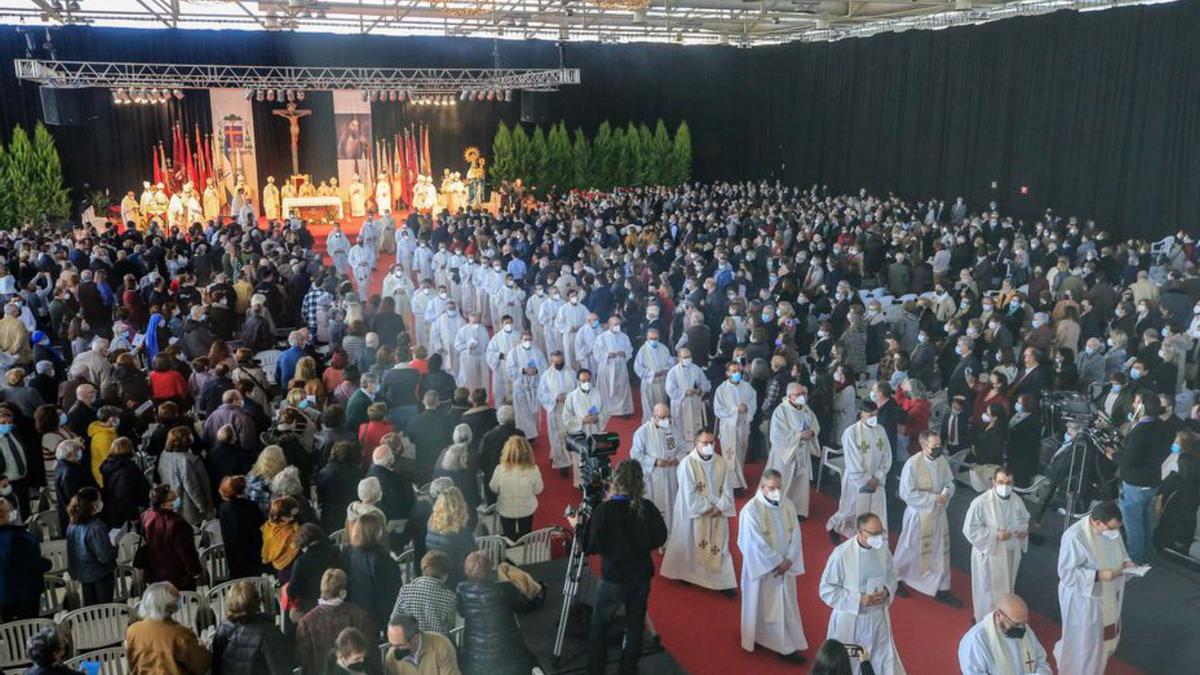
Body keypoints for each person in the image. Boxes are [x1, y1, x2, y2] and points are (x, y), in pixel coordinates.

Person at [580, 459, 668, 675]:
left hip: (614, 577)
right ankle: (628, 669)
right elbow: (660, 537)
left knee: (600, 625)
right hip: (641, 576)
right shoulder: (646, 507)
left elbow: (589, 545)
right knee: (635, 625)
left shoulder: (605, 511)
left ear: (615, 480)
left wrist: (578, 526)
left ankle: (596, 670)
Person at [1055, 501, 1136, 675]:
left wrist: (1126, 562)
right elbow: (1067, 573)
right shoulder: (1074, 536)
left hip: (1105, 597)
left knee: (1099, 641)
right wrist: (1099, 575)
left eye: (1118, 528)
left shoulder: (1111, 531)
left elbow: (1120, 550)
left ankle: (1094, 669)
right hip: (1082, 599)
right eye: (1112, 528)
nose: (1116, 533)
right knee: (1084, 640)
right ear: (1097, 522)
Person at [818, 512, 904, 675]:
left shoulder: (882, 549)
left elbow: (892, 574)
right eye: (874, 533)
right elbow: (826, 589)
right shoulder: (841, 554)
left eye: (881, 532)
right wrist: (858, 599)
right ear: (859, 532)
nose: (879, 537)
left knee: (879, 659)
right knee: (848, 664)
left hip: (876, 617)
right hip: (851, 619)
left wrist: (886, 591)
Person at [737, 469, 808, 663]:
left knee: (783, 605)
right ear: (762, 487)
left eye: (779, 487)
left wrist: (790, 560)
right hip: (763, 568)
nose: (776, 492)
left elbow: (796, 537)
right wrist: (777, 561)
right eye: (771, 488)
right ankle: (757, 636)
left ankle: (783, 645)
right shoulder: (751, 510)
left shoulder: (788, 506)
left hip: (784, 568)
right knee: (759, 604)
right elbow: (752, 542)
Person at [660, 431, 737, 595]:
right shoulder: (687, 464)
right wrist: (708, 508)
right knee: (690, 543)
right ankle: (687, 573)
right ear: (696, 443)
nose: (709, 446)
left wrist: (721, 506)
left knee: (720, 545)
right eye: (704, 443)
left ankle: (724, 581)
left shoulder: (721, 463)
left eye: (711, 443)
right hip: (694, 514)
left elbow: (728, 491)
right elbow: (689, 494)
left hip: (717, 514)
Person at [893, 430, 961, 607]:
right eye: (935, 446)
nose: (939, 449)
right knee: (909, 548)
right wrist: (933, 499)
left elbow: (949, 481)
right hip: (919, 515)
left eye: (940, 445)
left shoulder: (941, 461)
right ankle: (896, 578)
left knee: (941, 551)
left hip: (938, 514)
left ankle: (942, 588)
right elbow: (906, 493)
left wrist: (947, 492)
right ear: (924, 446)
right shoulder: (912, 464)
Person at [1108, 392, 1170, 563]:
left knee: (1133, 523)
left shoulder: (1141, 430)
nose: (1133, 406)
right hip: (1153, 481)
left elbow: (1130, 461)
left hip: (1136, 483)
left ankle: (1134, 559)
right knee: (1145, 521)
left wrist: (1114, 456)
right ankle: (1145, 554)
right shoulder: (1161, 425)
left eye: (1136, 403)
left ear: (1142, 407)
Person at [963, 466, 1030, 622]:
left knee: (1007, 588)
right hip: (989, 555)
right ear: (993, 482)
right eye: (1000, 482)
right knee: (987, 590)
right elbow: (969, 529)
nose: (1004, 486)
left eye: (1008, 483)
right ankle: (983, 620)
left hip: (1009, 553)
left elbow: (1024, 519)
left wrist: (1023, 531)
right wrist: (995, 536)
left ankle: (1004, 619)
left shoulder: (1016, 500)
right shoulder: (981, 502)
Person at [455, 551, 538, 675]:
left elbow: (462, 613)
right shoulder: (505, 589)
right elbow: (524, 607)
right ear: (490, 569)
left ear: (467, 571)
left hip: (476, 662)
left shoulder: (461, 591)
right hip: (512, 659)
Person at [826, 401, 892, 543]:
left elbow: (887, 455)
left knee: (876, 511)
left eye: (876, 414)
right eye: (870, 414)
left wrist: (879, 476)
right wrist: (867, 479)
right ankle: (834, 526)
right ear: (861, 413)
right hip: (857, 480)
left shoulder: (881, 430)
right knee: (850, 509)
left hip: (877, 480)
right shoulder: (851, 433)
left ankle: (875, 539)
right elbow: (852, 461)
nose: (874, 417)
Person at [295, 569, 379, 675]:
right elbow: (372, 655)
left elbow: (304, 662)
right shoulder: (359, 616)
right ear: (343, 592)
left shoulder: (306, 623)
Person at [125, 582, 211, 675]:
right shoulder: (180, 634)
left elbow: (131, 663)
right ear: (169, 607)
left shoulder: (132, 630)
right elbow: (202, 665)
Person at [211, 579, 294, 675]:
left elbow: (216, 668)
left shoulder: (223, 628)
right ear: (257, 601)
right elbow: (282, 669)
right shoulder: (268, 633)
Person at [957, 592, 1051, 674]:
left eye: (1024, 623)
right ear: (999, 615)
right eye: (1016, 624)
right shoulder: (976, 641)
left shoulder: (1024, 628)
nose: (1022, 628)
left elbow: (1041, 661)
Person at [766, 383, 820, 520]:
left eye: (804, 394)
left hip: (802, 452)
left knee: (800, 482)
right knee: (783, 480)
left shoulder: (806, 409)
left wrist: (812, 432)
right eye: (798, 394)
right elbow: (777, 434)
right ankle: (778, 507)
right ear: (790, 396)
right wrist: (799, 436)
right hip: (785, 454)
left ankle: (798, 509)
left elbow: (815, 423)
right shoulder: (781, 411)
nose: (802, 397)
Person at [629, 403, 684, 532]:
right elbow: (635, 454)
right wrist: (654, 462)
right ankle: (655, 534)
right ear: (654, 417)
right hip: (654, 477)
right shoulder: (643, 432)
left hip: (671, 475)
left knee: (671, 505)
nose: (666, 420)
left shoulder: (673, 430)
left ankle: (670, 532)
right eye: (662, 417)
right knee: (656, 506)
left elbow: (682, 448)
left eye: (668, 417)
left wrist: (678, 458)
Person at [342, 510, 402, 628]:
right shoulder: (380, 558)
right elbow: (392, 589)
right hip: (374, 614)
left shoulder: (347, 551)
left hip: (352, 609)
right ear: (375, 532)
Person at [140, 484, 203, 591]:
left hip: (156, 575)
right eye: (172, 499)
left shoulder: (147, 515)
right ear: (163, 504)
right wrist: (195, 572)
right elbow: (186, 551)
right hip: (178, 577)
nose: (177, 499)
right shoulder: (177, 523)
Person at [0, 496, 51, 620]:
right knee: (28, 628)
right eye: (9, 511)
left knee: (12, 631)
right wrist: (47, 564)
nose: (12, 513)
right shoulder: (15, 538)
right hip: (23, 593)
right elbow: (32, 563)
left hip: (4, 594)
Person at [65, 486, 117, 605]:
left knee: (91, 610)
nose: (100, 502)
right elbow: (104, 557)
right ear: (92, 504)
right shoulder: (96, 527)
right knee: (105, 610)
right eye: (98, 499)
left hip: (82, 574)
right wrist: (114, 548)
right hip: (100, 575)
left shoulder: (72, 524)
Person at [561, 369, 611, 487]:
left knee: (597, 457)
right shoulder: (571, 397)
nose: (586, 383)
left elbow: (607, 410)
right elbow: (566, 418)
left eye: (588, 380)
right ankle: (581, 483)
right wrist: (582, 421)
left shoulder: (598, 393)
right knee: (580, 459)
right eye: (583, 381)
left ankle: (597, 481)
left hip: (595, 431)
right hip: (580, 434)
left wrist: (598, 418)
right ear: (578, 381)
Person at [488, 436, 543, 539]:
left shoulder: (500, 469)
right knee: (526, 536)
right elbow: (539, 489)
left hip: (505, 509)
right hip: (527, 509)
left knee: (509, 537)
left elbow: (493, 488)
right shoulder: (534, 469)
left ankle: (510, 548)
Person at [391, 550, 458, 635]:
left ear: (423, 569)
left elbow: (394, 619)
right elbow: (449, 625)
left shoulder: (406, 591)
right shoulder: (450, 597)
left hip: (411, 641)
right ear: (445, 574)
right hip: (437, 644)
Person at [713, 360, 756, 490]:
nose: (738, 373)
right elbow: (718, 410)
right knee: (730, 455)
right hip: (728, 428)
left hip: (742, 426)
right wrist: (735, 410)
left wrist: (747, 407)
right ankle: (733, 484)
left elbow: (753, 403)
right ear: (727, 373)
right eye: (734, 371)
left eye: (739, 371)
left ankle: (739, 478)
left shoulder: (747, 387)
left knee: (741, 454)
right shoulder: (721, 389)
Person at [425, 486, 476, 588]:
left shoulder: (431, 527)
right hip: (458, 579)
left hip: (436, 575)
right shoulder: (462, 532)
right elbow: (471, 557)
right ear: (460, 506)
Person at [216, 476, 265, 580]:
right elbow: (261, 525)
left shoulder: (223, 508)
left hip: (234, 552)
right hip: (253, 550)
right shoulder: (252, 506)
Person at [538, 352, 576, 476]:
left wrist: (568, 397)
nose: (559, 364)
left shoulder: (571, 372)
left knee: (570, 435)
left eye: (561, 361)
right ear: (551, 362)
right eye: (556, 362)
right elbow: (541, 394)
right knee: (556, 437)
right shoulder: (546, 376)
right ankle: (562, 464)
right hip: (555, 409)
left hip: (570, 409)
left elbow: (577, 390)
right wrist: (555, 397)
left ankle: (571, 458)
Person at [383, 613, 461, 675]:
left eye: (399, 645)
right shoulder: (391, 656)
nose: (394, 649)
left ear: (415, 638)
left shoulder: (442, 646)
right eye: (391, 644)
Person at [665, 346, 711, 445]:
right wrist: (685, 392)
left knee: (695, 428)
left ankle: (695, 448)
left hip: (694, 403)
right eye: (685, 357)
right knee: (681, 430)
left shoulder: (696, 369)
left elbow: (706, 383)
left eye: (689, 356)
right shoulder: (673, 372)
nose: (687, 359)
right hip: (681, 405)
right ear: (679, 357)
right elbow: (670, 390)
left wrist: (699, 390)